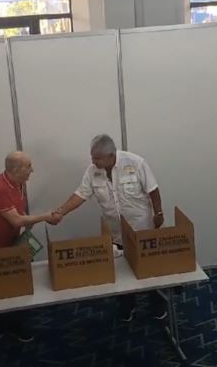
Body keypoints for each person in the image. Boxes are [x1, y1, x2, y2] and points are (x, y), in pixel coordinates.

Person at [53, 134, 167, 322]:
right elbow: (81, 194)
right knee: (121, 271)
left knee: (148, 268)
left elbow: (153, 189)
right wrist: (61, 211)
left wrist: (159, 213)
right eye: (92, 157)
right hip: (116, 232)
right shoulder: (92, 171)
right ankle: (127, 305)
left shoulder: (136, 163)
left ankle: (156, 302)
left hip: (141, 228)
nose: (93, 161)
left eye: (97, 158)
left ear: (111, 155)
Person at [0, 151, 58, 350]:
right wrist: (45, 216)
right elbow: (17, 220)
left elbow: (18, 213)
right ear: (15, 170)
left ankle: (13, 325)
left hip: (10, 242)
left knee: (14, 285)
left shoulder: (18, 183)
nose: (32, 170)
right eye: (28, 166)